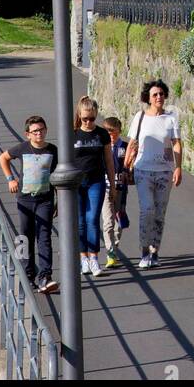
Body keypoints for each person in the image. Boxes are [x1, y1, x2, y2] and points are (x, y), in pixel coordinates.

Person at [124, 80, 182, 270]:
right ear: (148, 98)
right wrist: (125, 166)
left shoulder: (171, 118)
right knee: (147, 210)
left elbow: (176, 143)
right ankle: (144, 251)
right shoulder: (140, 117)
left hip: (164, 172)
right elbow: (132, 142)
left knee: (159, 214)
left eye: (161, 94)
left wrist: (178, 167)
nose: (159, 97)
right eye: (155, 94)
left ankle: (154, 251)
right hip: (143, 171)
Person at [0, 115, 59, 294]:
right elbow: (3, 158)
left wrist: (57, 198)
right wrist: (10, 179)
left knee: (44, 236)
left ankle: (45, 276)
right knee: (24, 236)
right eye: (35, 131)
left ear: (46, 130)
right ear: (28, 135)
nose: (39, 133)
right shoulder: (22, 148)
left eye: (41, 130)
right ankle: (26, 274)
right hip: (25, 198)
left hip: (45, 199)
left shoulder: (53, 150)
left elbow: (57, 173)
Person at [73, 96, 116, 278]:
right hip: (76, 182)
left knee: (93, 219)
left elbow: (108, 160)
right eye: (85, 119)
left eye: (92, 118)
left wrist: (112, 185)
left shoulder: (102, 134)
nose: (89, 122)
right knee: (80, 221)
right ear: (79, 116)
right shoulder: (73, 134)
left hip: (96, 180)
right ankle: (83, 258)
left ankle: (94, 258)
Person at [101, 115, 129, 269]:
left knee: (119, 223)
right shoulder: (101, 148)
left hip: (121, 189)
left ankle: (114, 247)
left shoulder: (125, 147)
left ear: (119, 131)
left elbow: (130, 164)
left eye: (114, 132)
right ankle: (110, 253)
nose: (111, 135)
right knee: (108, 222)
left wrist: (128, 171)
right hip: (105, 188)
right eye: (108, 132)